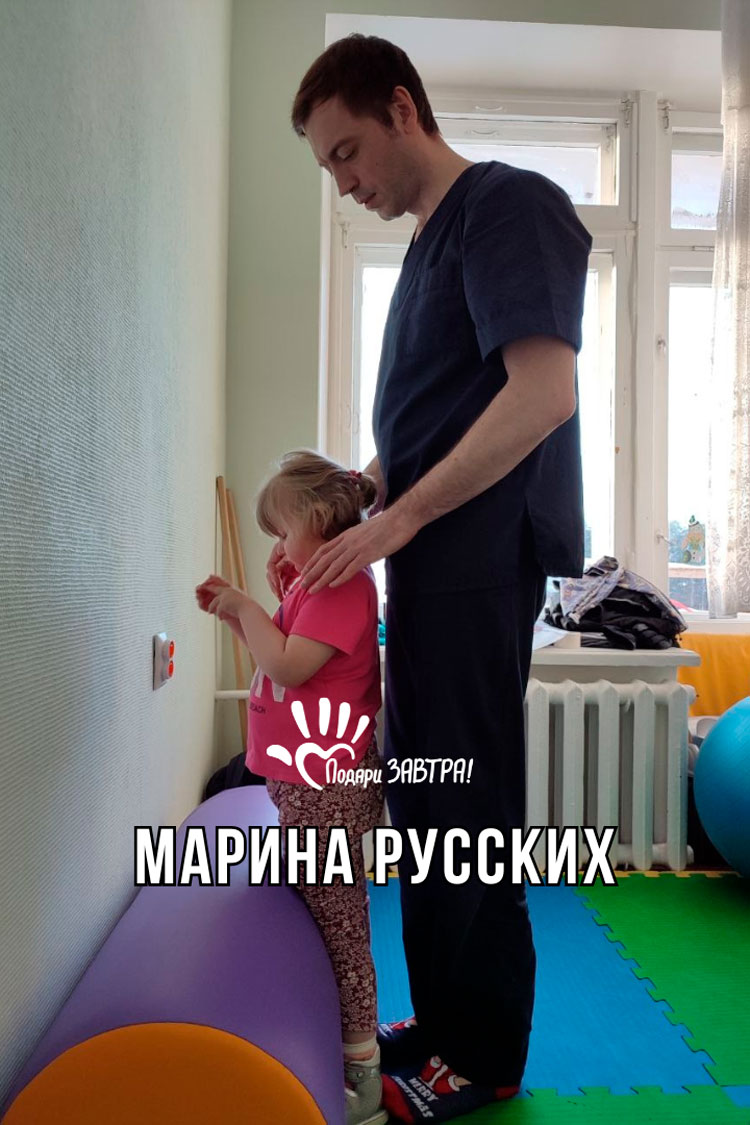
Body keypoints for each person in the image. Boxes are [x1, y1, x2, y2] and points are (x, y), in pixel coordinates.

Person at [280, 34, 593, 1125]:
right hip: (427, 568)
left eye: (347, 152)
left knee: (465, 805)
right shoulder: (426, 245)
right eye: (328, 165)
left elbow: (542, 393)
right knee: (425, 800)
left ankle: (485, 1054)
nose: (344, 182)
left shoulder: (509, 207)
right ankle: (448, 1021)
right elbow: (432, 421)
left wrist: (402, 515)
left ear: (404, 109)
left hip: (477, 565)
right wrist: (350, 502)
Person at [196, 450, 389, 1125]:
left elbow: (287, 665)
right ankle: (320, 1028)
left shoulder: (345, 587)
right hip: (300, 785)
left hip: (326, 788)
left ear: (319, 519)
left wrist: (247, 606)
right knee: (315, 909)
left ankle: (362, 1072)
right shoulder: (316, 586)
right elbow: (276, 646)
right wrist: (251, 609)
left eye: (282, 532)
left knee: (341, 926)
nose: (278, 546)